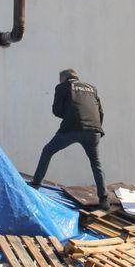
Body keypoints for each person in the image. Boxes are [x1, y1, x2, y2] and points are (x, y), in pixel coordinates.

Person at [30, 69, 108, 209]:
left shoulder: (62, 87)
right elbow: (100, 112)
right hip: (94, 130)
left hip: (71, 128)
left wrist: (70, 114)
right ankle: (104, 199)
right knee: (96, 163)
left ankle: (35, 184)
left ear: (63, 79)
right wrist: (94, 128)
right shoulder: (92, 88)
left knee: (47, 151)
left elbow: (56, 110)